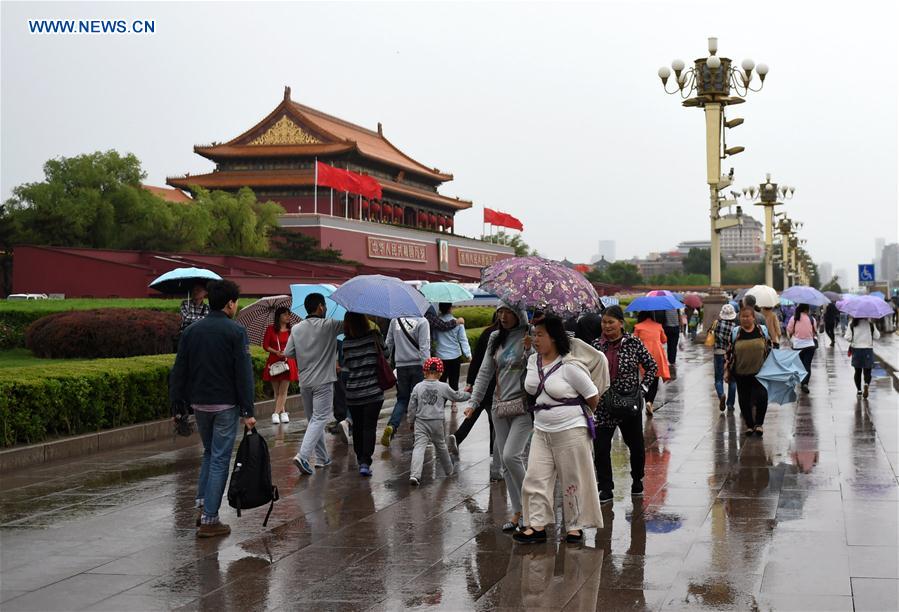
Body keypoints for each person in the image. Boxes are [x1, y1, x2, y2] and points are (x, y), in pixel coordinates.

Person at [169, 280, 256, 538]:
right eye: (236, 302)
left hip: (199, 404)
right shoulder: (235, 331)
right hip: (225, 405)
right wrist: (248, 411)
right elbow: (243, 374)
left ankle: (201, 505)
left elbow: (179, 370)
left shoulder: (192, 331)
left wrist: (178, 405)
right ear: (230, 303)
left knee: (209, 453)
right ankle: (210, 519)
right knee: (219, 459)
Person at [514, 315, 604, 545]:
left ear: (554, 337)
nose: (535, 339)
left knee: (572, 479)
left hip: (570, 430)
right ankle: (537, 526)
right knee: (535, 477)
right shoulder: (533, 360)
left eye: (540, 334)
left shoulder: (570, 366)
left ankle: (575, 526)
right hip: (541, 428)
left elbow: (593, 396)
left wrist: (582, 419)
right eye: (534, 334)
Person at [468, 303, 533, 531]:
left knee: (512, 456)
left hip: (523, 407)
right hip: (499, 406)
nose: (503, 316)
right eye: (501, 311)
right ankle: (517, 513)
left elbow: (539, 367)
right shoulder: (495, 337)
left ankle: (531, 509)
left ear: (519, 313)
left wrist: (529, 350)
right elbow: (485, 371)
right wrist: (474, 402)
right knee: (505, 463)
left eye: (508, 312)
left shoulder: (530, 335)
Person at [592, 306, 658, 504]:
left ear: (621, 323)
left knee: (636, 447)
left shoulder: (633, 343)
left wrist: (642, 391)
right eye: (604, 322)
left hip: (629, 404)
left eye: (611, 322)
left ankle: (637, 480)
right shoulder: (596, 345)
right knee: (601, 447)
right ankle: (605, 488)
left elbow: (651, 366)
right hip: (603, 405)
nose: (607, 326)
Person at [285, 293, 344, 475]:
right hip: (323, 381)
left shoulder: (296, 328)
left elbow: (288, 352)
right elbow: (349, 324)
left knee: (313, 421)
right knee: (319, 419)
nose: (325, 309)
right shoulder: (330, 325)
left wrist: (305, 358)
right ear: (320, 307)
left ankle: (322, 458)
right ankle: (303, 456)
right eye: (324, 306)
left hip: (305, 382)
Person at [448, 311, 502, 481]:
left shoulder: (487, 333)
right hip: (496, 384)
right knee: (494, 420)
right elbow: (482, 361)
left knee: (476, 413)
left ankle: (457, 437)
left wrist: (471, 381)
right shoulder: (499, 336)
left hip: (483, 383)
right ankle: (494, 453)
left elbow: (477, 360)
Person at [408, 358, 470, 485]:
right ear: (440, 373)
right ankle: (449, 470)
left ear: (424, 371)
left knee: (419, 447)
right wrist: (470, 395)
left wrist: (411, 421)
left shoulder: (418, 387)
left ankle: (415, 475)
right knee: (441, 446)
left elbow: (411, 406)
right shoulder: (443, 387)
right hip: (437, 422)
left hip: (421, 421)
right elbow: (456, 396)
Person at [341, 312, 386, 476]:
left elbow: (346, 365)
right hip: (373, 392)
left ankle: (361, 459)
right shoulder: (374, 336)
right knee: (369, 427)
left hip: (353, 393)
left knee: (358, 428)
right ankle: (365, 462)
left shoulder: (346, 343)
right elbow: (386, 354)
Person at [383, 314, 430, 446]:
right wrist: (428, 369)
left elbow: (388, 343)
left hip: (401, 366)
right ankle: (418, 434)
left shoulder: (395, 320)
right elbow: (424, 347)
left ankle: (392, 426)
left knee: (402, 399)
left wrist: (386, 363)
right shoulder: (422, 321)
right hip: (418, 366)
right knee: (419, 401)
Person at [725, 305, 771, 436]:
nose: (745, 319)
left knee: (762, 397)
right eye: (743, 317)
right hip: (741, 372)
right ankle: (750, 425)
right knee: (744, 400)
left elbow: (769, 348)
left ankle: (759, 424)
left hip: (760, 372)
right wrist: (726, 370)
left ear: (753, 318)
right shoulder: (736, 333)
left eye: (748, 316)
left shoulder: (762, 331)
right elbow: (729, 352)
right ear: (739, 318)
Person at [262, 306, 298, 424]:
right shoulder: (270, 329)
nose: (288, 317)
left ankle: (275, 414)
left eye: (289, 314)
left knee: (283, 390)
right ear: (279, 316)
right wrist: (276, 352)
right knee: (277, 391)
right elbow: (265, 346)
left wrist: (287, 352)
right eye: (285, 314)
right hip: (274, 362)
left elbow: (296, 346)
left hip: (288, 361)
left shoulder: (292, 330)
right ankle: (282, 413)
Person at [433, 303, 472, 413]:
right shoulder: (458, 322)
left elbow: (434, 338)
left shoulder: (437, 323)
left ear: (440, 309)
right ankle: (454, 404)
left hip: (441, 356)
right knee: (454, 380)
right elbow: (463, 340)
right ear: (450, 308)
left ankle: (440, 404)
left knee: (441, 381)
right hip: (455, 355)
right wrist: (468, 355)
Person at [632, 311, 670, 416]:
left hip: (643, 355)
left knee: (645, 380)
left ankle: (647, 401)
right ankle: (650, 402)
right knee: (655, 380)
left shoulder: (638, 326)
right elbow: (664, 340)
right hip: (657, 354)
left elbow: (634, 341)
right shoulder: (658, 326)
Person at [709, 304, 738, 412]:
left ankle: (721, 395)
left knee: (718, 379)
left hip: (718, 353)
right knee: (733, 380)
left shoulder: (716, 324)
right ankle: (730, 404)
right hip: (731, 354)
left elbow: (710, 335)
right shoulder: (735, 327)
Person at [786, 303, 817, 394]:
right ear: (807, 310)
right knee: (807, 365)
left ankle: (800, 380)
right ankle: (805, 384)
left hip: (797, 346)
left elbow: (789, 330)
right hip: (809, 345)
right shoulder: (812, 319)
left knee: (799, 365)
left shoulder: (794, 318)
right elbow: (814, 331)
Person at [846, 317, 880, 399]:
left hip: (856, 350)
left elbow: (848, 338)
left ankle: (859, 390)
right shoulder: (870, 323)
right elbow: (877, 336)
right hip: (868, 349)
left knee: (857, 371)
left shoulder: (852, 323)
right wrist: (873, 326)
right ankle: (866, 384)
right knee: (867, 371)